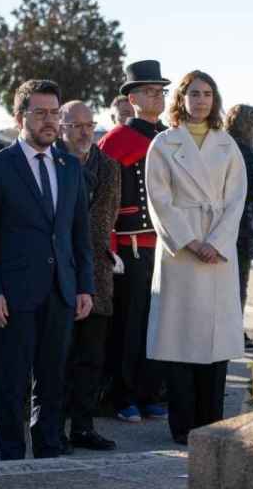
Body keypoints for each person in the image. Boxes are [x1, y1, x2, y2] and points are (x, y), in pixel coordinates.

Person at [0, 79, 95, 460]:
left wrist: (84, 286)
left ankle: (49, 450)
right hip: (12, 294)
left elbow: (79, 234)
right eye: (39, 112)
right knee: (12, 380)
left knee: (53, 379)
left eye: (54, 113)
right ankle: (11, 456)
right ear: (19, 116)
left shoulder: (70, 166)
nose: (49, 121)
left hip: (61, 290)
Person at [145, 70, 247, 445]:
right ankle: (182, 424)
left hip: (217, 252)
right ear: (182, 99)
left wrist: (216, 241)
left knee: (215, 341)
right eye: (194, 93)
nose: (201, 100)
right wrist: (190, 241)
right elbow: (159, 200)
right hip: (181, 254)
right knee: (180, 339)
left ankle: (212, 420)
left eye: (207, 94)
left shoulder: (227, 144)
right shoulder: (164, 143)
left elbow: (237, 197)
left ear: (215, 100)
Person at [97, 60, 170, 423]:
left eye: (160, 91)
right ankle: (122, 394)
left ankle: (150, 390)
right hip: (131, 246)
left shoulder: (171, 136)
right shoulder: (116, 140)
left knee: (158, 322)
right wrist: (109, 248)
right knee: (129, 323)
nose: (157, 96)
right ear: (132, 97)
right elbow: (104, 199)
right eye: (148, 91)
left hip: (167, 246)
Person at [58, 100, 121, 452]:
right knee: (57, 357)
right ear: (62, 126)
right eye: (76, 125)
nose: (85, 132)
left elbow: (103, 219)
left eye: (89, 124)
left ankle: (83, 426)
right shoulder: (52, 162)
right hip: (57, 272)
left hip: (96, 271)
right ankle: (52, 428)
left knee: (90, 357)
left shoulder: (108, 167)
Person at [226, 104, 253, 350]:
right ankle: (235, 331)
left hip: (223, 225)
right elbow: (250, 192)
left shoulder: (224, 144)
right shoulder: (245, 151)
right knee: (239, 283)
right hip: (240, 228)